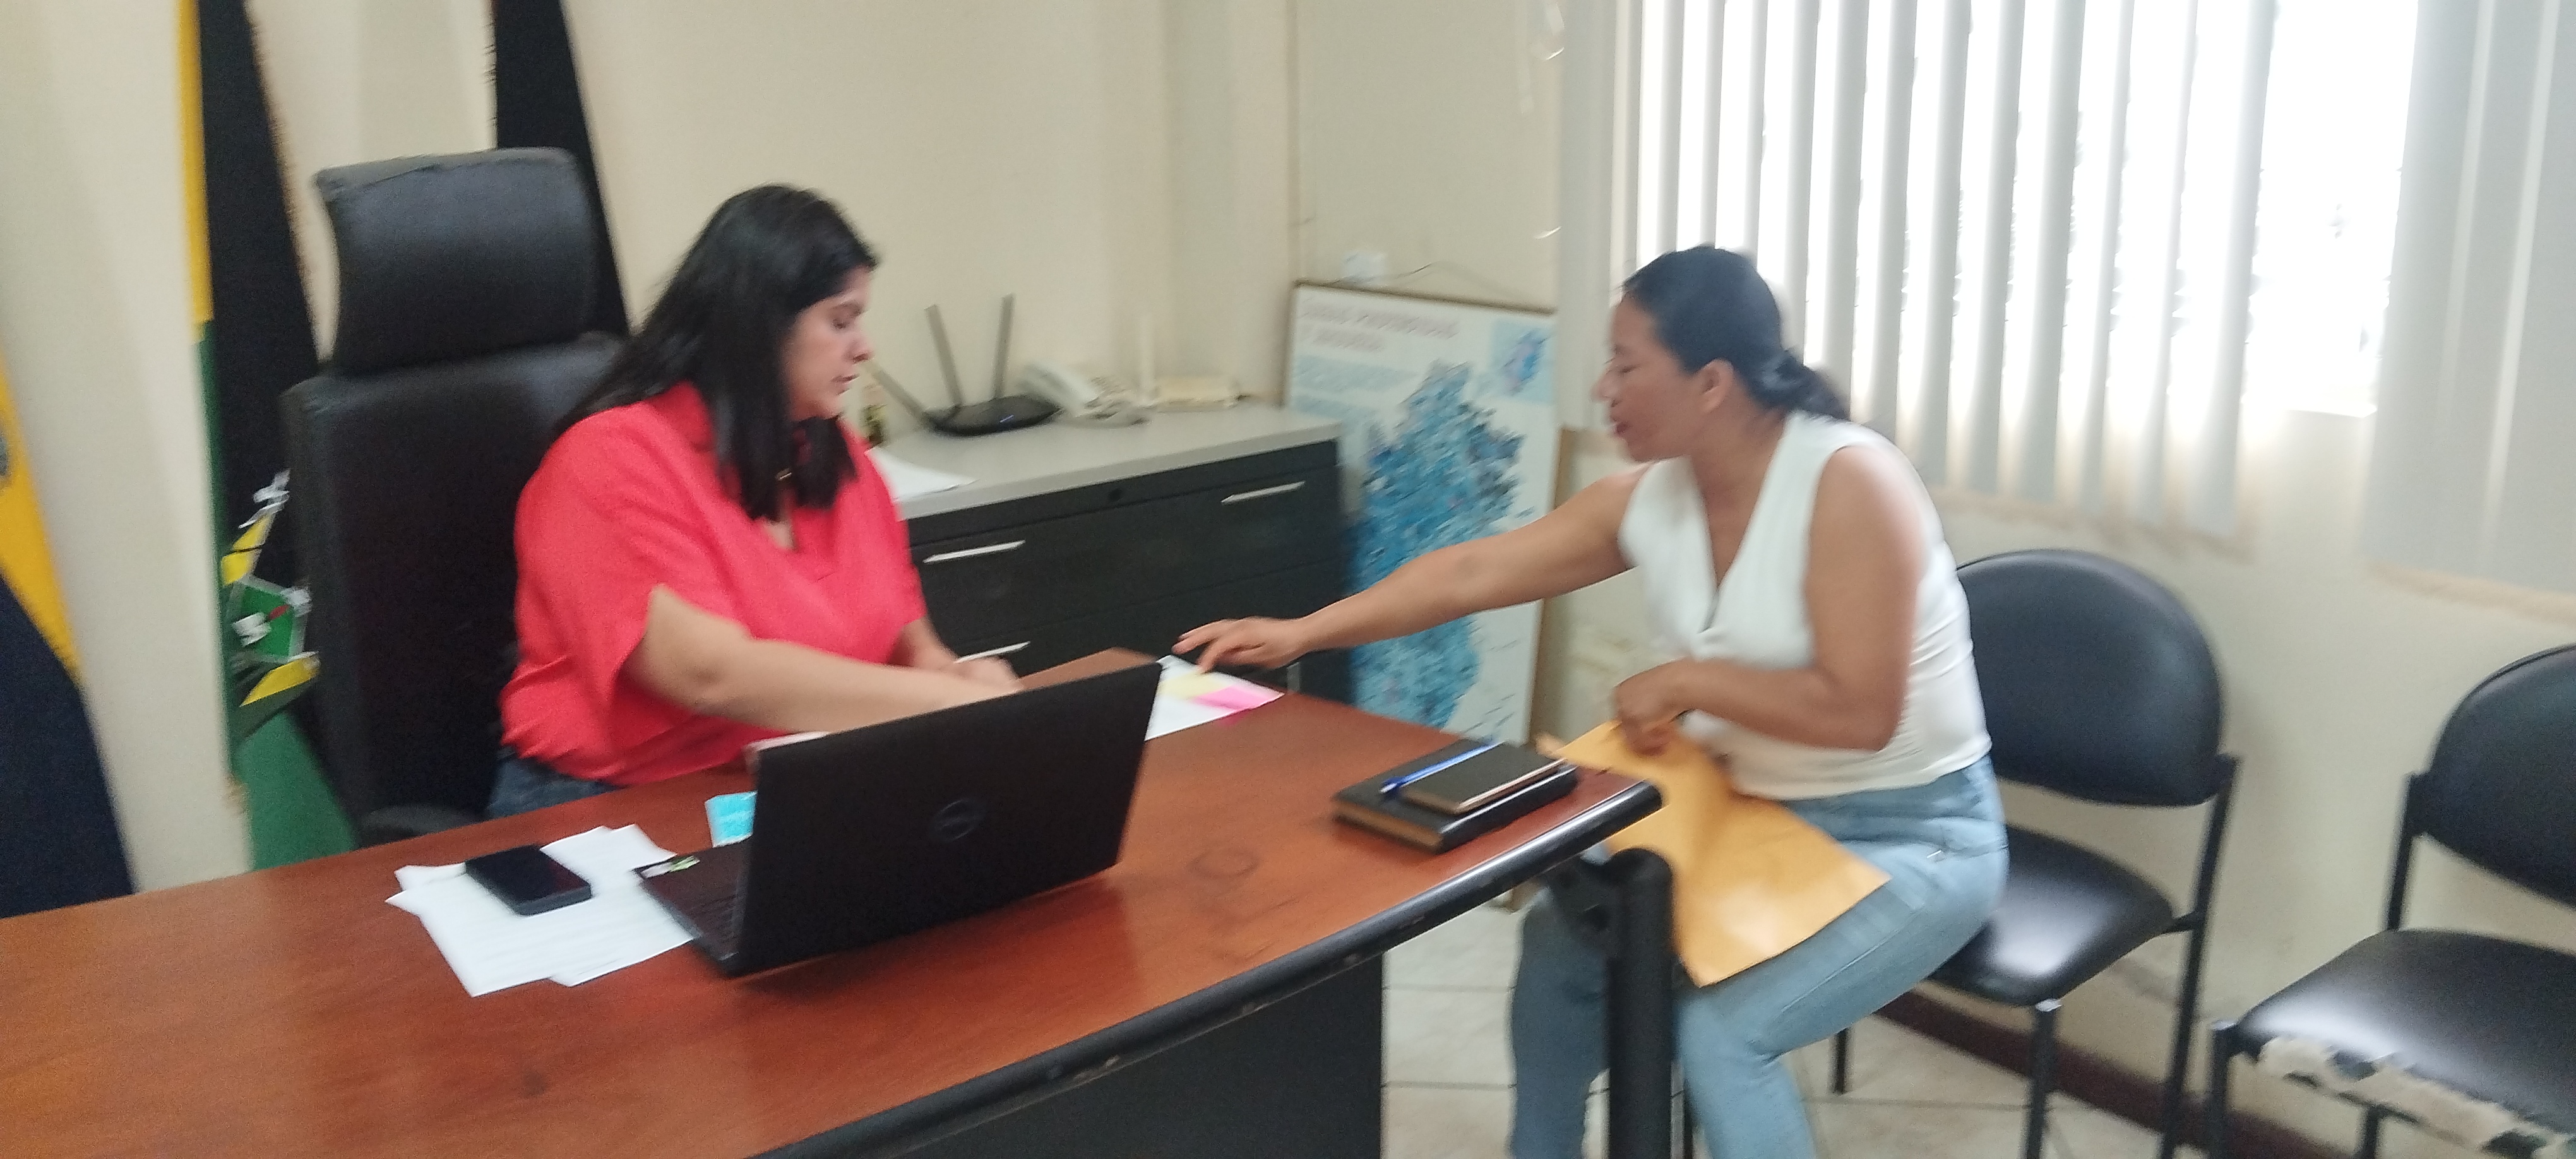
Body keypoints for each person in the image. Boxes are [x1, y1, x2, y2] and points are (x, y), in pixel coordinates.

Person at [1178, 246, 2006, 1158]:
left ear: (1712, 383)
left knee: (1725, 1037)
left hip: (1916, 836)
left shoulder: (1849, 482)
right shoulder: (1656, 497)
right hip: (1752, 814)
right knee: (1558, 943)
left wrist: (1687, 682)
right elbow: (1471, 572)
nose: (1602, 388)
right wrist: (1304, 632)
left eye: (1625, 364)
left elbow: (1861, 715)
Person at [492, 185, 1018, 816]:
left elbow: (912, 645)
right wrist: (947, 703)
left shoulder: (837, 452)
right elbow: (710, 673)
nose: (864, 347)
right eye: (841, 321)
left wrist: (955, 675)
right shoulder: (608, 458)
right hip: (615, 803)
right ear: (762, 326)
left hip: (798, 775)